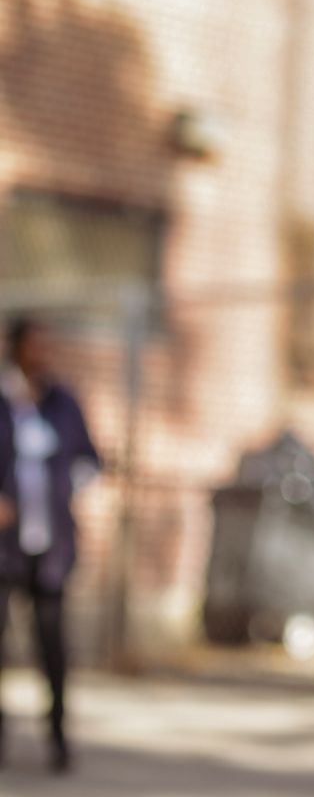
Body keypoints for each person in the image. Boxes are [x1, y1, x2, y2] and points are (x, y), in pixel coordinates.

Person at [0, 316, 102, 773]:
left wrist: (69, 487)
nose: (41, 354)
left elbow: (89, 459)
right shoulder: (3, 401)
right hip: (5, 550)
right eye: (33, 345)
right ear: (15, 348)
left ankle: (58, 739)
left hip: (51, 548)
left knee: (53, 648)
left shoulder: (63, 402)